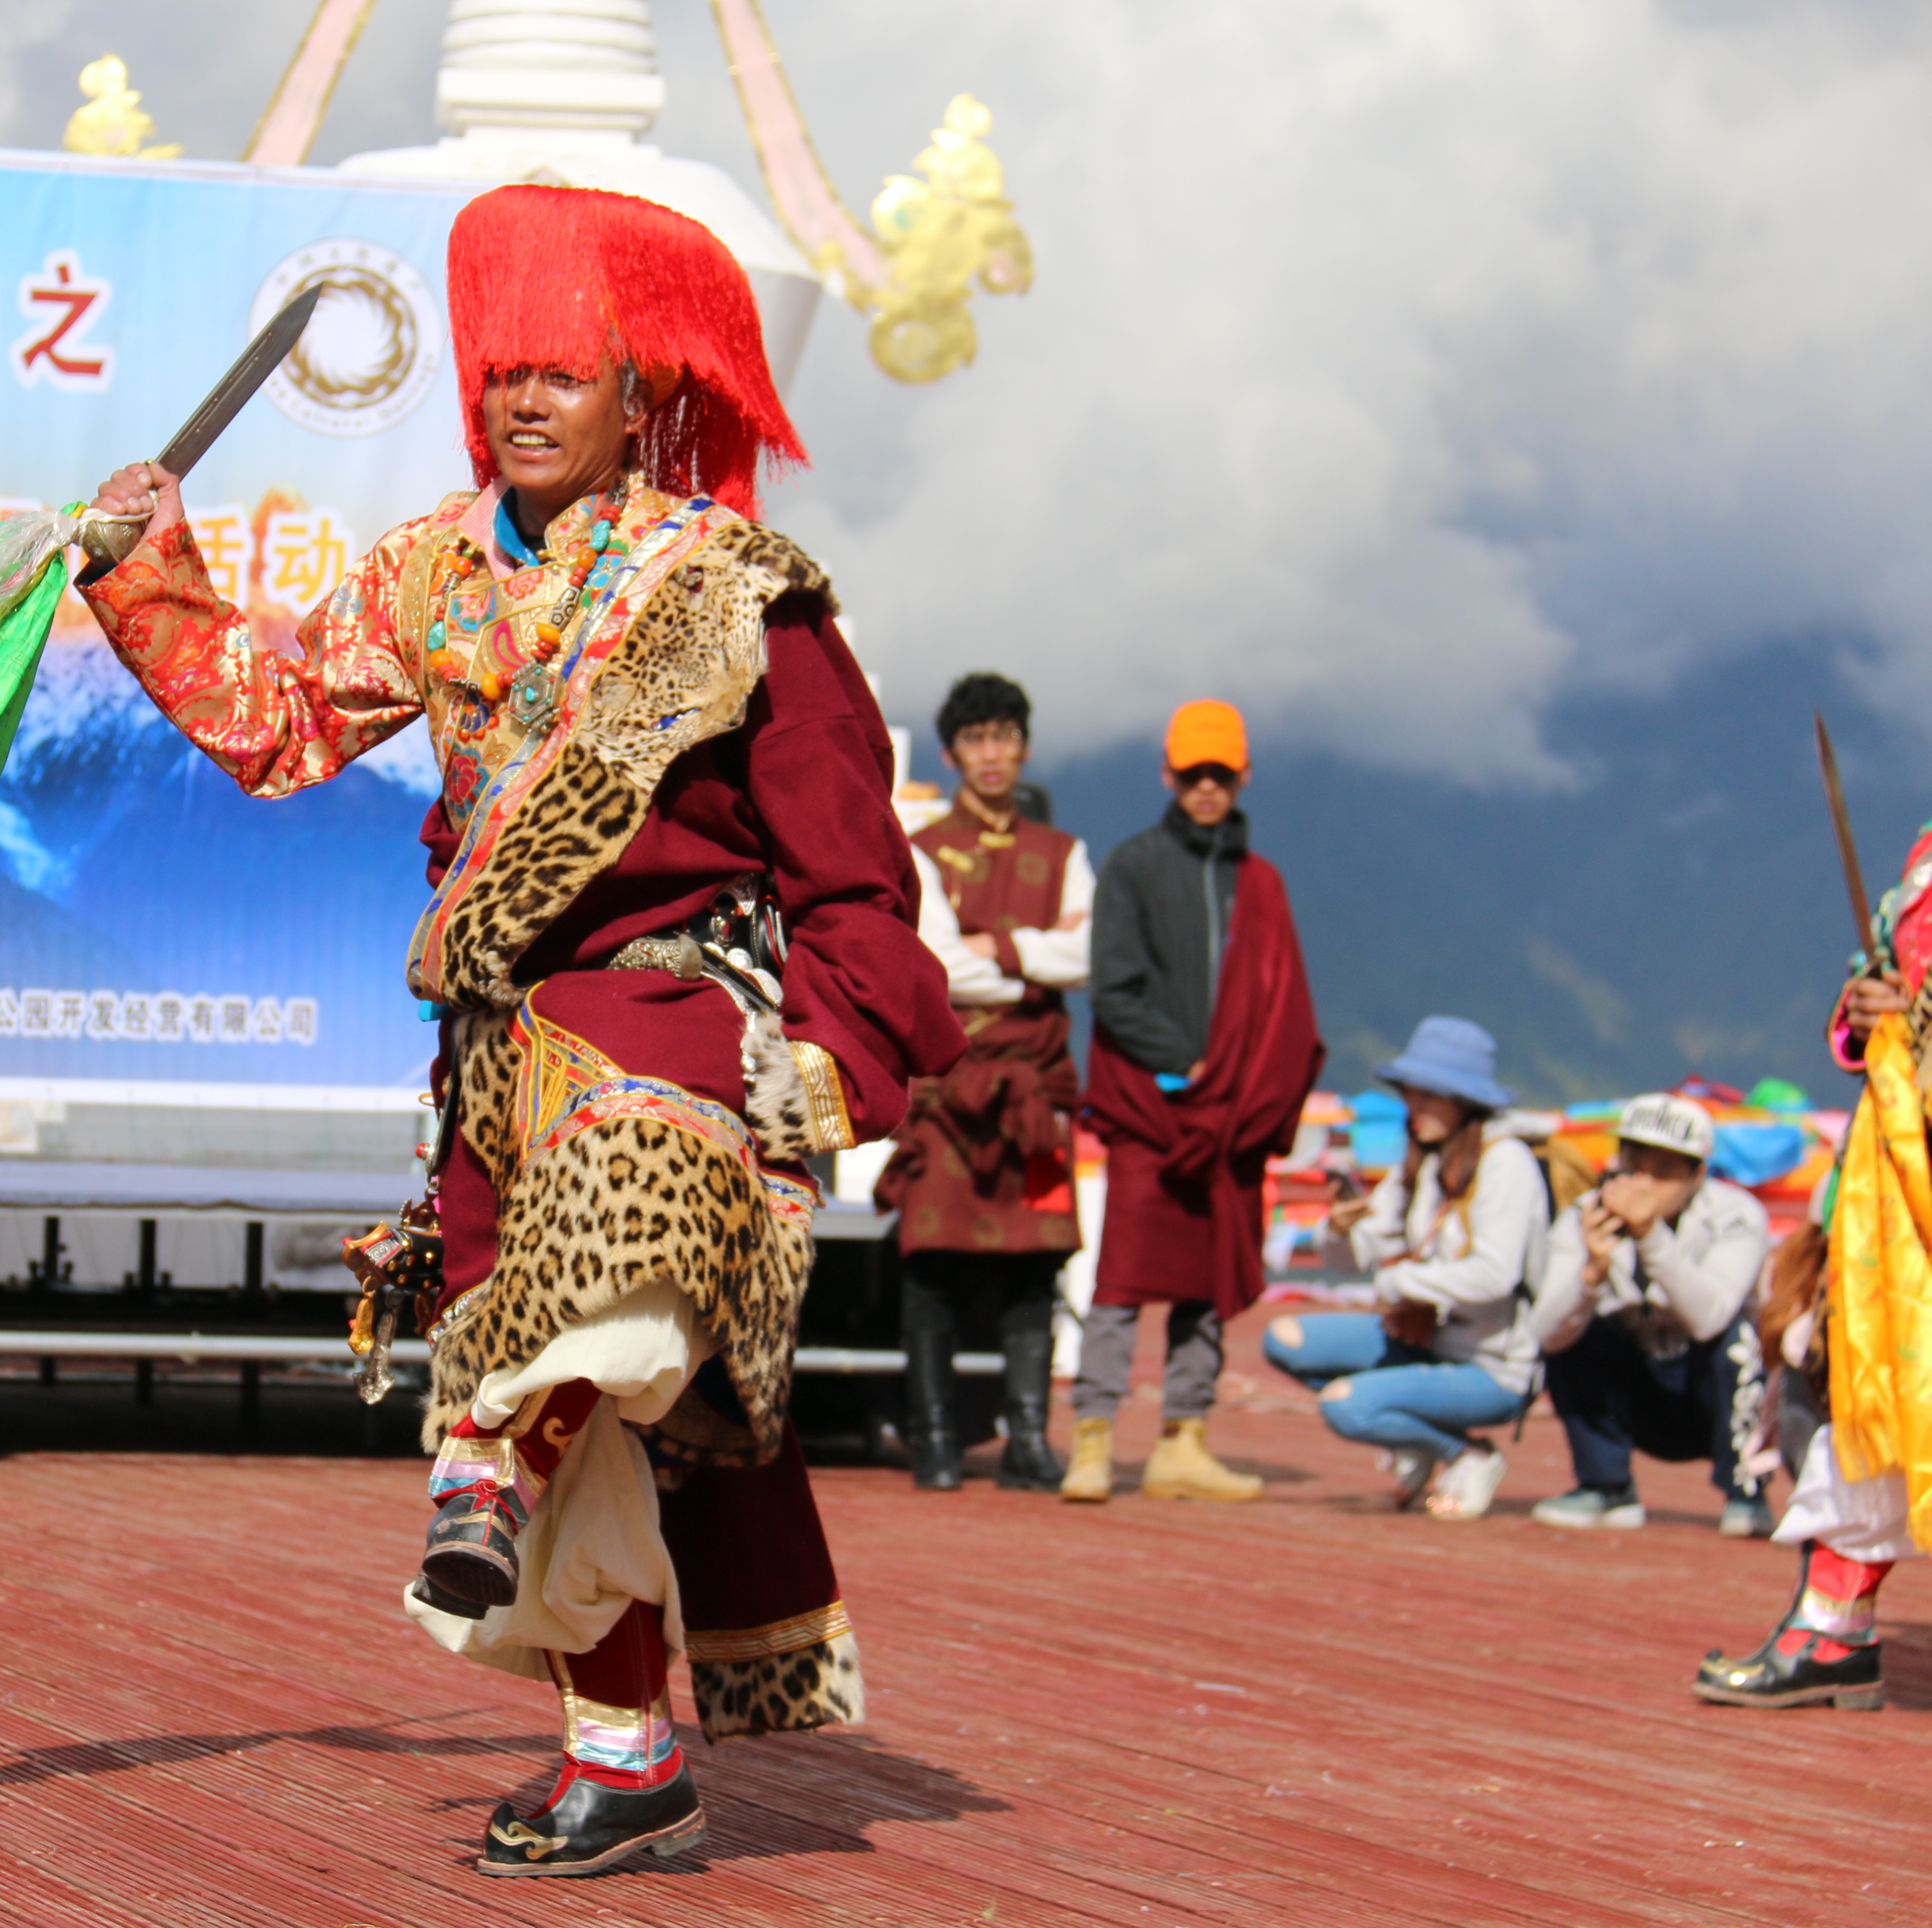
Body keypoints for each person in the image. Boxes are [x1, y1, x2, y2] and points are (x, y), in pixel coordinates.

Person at [75, 184, 958, 1876]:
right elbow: (275, 730)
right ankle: (627, 1761)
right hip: (490, 1055)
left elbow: (856, 867)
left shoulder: (729, 590)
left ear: (647, 397)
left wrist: (834, 1062)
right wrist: (147, 569)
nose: (525, 404)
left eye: (568, 374)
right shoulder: (426, 573)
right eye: (504, 377)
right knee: (592, 1449)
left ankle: (479, 1461)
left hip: (680, 1013)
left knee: (599, 1295)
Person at [1064, 699, 1321, 1504]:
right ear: (1168, 775)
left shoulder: (1263, 882)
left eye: (1221, 773)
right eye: (1192, 772)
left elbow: (1285, 1001)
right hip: (1154, 1104)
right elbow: (1114, 987)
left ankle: (1184, 1440)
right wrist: (1193, 1062)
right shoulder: (1135, 864)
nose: (1206, 786)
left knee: (1206, 1286)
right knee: (1122, 1280)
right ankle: (1093, 1441)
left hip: (1231, 1118)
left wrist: (1247, 1079)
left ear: (1242, 777)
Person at [1695, 923, 1924, 1709]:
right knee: (1867, 1394)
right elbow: (1888, 980)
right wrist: (1877, 1009)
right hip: (1900, 1181)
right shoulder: (1924, 872)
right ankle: (1834, 1626)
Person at [875, 671, 1091, 1492]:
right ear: (953, 753)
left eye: (1005, 738)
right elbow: (936, 964)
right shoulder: (923, 854)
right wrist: (1035, 954)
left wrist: (987, 948)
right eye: (976, 741)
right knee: (930, 1265)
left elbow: (1089, 960)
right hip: (946, 1091)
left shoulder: (1063, 855)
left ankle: (1028, 1442)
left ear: (1024, 747)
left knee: (1035, 1271)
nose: (992, 755)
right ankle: (935, 1441)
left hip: (1034, 1097)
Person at [1262, 1017, 1546, 1519]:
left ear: (1467, 1101)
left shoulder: (1507, 1163)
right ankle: (1424, 1439)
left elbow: (1495, 1275)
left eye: (1431, 1095)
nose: (1414, 1108)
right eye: (1409, 1092)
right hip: (1424, 1342)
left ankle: (1467, 1455)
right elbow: (1359, 1258)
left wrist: (1398, 1284)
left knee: (1347, 1406)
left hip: (1491, 1368)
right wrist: (1339, 1229)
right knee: (1283, 1338)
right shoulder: (1421, 1161)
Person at [1527, 1092, 1770, 1532]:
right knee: (1576, 1328)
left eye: (1664, 1174)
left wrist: (1649, 1236)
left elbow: (1710, 1318)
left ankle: (1747, 1491)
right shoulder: (1582, 1217)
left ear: (1698, 1176)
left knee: (1740, 1339)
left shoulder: (1739, 1215)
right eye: (1634, 1167)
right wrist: (1590, 1276)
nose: (1643, 1186)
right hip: (1640, 1394)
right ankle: (1606, 1487)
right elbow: (1544, 1333)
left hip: (1712, 1394)